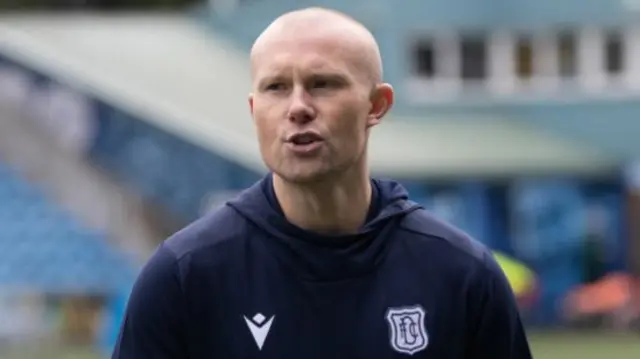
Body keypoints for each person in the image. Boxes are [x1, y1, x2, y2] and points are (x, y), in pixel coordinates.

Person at [112, 7, 532, 359]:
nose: (297, 107)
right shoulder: (185, 276)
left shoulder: (461, 275)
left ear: (377, 105)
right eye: (276, 87)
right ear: (255, 108)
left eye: (322, 84)